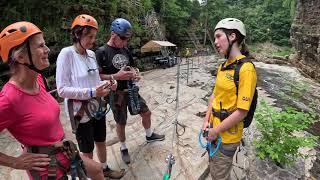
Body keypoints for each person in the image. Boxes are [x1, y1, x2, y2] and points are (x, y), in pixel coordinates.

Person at [0, 21, 112, 180]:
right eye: (40, 46)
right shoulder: (9, 99)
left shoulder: (39, 80)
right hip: (44, 165)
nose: (47, 50)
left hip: (63, 150)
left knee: (96, 170)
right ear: (20, 56)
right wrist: (15, 162)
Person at [55, 14, 124, 179]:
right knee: (87, 150)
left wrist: (111, 83)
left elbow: (96, 79)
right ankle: (90, 176)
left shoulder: (91, 54)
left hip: (97, 107)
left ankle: (104, 169)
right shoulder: (67, 54)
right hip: (80, 112)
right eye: (89, 36)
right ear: (78, 34)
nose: (93, 40)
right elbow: (62, 90)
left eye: (94, 36)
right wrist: (92, 92)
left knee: (101, 140)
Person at [96, 18, 165, 164]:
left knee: (146, 112)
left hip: (131, 89)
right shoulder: (101, 52)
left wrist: (136, 74)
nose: (125, 42)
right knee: (121, 122)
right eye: (123, 38)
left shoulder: (125, 49)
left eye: (127, 38)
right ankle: (123, 147)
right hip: (116, 94)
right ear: (113, 34)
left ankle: (149, 134)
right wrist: (116, 76)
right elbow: (98, 76)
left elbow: (132, 67)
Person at [202, 18, 257, 179]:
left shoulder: (246, 69)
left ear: (232, 36)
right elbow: (214, 95)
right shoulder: (223, 66)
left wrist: (215, 131)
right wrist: (206, 121)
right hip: (213, 128)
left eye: (219, 36)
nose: (215, 42)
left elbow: (242, 112)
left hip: (227, 136)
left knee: (219, 174)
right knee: (215, 167)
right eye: (215, 38)